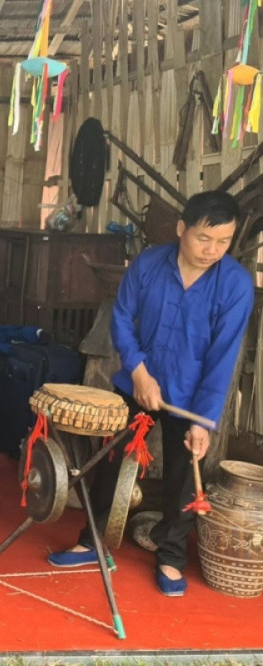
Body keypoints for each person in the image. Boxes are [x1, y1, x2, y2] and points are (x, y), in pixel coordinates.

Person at [48, 191, 253, 597]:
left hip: (191, 398)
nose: (212, 250)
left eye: (223, 242)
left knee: (183, 475)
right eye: (203, 238)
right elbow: (122, 319)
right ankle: (93, 541)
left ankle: (171, 556)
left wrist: (202, 421)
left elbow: (222, 357)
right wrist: (139, 372)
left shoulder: (235, 285)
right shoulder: (147, 264)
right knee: (112, 460)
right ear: (181, 229)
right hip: (137, 384)